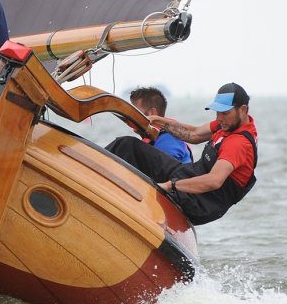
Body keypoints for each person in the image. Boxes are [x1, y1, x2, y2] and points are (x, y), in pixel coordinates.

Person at [105, 82, 258, 225]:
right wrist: (159, 120)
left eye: (224, 113)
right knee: (127, 145)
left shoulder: (238, 144)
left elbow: (213, 181)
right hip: (188, 175)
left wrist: (171, 185)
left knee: (126, 146)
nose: (219, 118)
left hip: (199, 201)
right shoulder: (227, 124)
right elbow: (194, 134)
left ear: (243, 110)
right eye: (217, 112)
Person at [129, 87, 193, 163]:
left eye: (135, 112)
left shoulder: (167, 139)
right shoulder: (154, 137)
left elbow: (165, 171)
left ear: (152, 113)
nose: (130, 117)